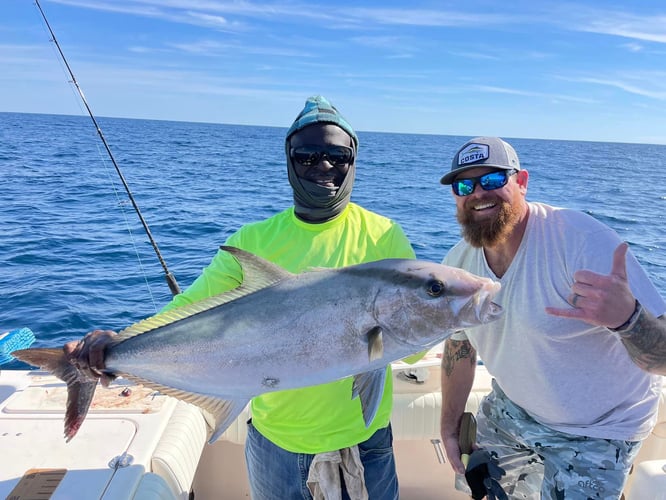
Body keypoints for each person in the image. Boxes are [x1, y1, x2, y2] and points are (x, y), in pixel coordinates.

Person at [65, 95, 416, 500]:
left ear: (353, 160)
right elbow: (187, 309)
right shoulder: (251, 241)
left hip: (363, 441)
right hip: (274, 444)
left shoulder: (384, 236)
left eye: (337, 155)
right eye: (308, 155)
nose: (323, 166)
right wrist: (116, 346)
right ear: (289, 160)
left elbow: (407, 351)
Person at [438, 136, 666, 499]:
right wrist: (449, 425)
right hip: (514, 411)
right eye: (465, 185)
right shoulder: (458, 264)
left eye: (494, 180)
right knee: (482, 489)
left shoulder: (580, 242)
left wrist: (629, 319)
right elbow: (460, 344)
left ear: (522, 181)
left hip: (600, 430)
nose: (479, 193)